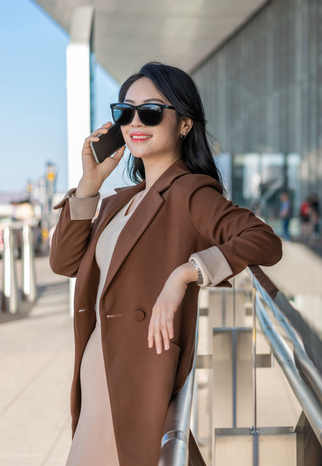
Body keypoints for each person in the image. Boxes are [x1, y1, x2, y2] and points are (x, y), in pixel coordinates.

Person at [50, 62, 283, 466]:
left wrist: (185, 274)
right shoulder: (118, 200)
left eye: (152, 111)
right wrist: (90, 183)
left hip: (138, 369)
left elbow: (264, 240)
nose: (135, 122)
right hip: (98, 361)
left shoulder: (191, 192)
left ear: (185, 124)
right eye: (125, 111)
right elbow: (64, 262)